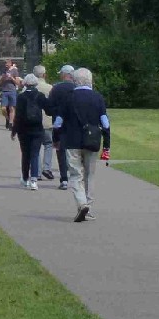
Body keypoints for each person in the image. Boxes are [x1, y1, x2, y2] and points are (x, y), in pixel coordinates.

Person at [52, 67, 109, 222]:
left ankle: (81, 202)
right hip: (92, 141)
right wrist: (107, 146)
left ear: (75, 80)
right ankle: (88, 207)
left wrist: (56, 139)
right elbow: (105, 123)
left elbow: (58, 123)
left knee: (76, 175)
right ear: (90, 81)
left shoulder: (68, 98)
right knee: (90, 174)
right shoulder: (97, 98)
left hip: (71, 141)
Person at [9, 74, 48, 189]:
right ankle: (34, 180)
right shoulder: (40, 95)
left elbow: (18, 116)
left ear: (25, 83)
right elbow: (49, 109)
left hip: (23, 130)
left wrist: (14, 131)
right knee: (35, 154)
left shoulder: (21, 97)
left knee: (25, 154)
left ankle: (25, 178)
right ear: (36, 83)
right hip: (37, 128)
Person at [46, 65, 77, 190]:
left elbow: (48, 108)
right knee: (75, 152)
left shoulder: (56, 88)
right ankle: (76, 178)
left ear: (64, 74)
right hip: (75, 123)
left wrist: (55, 112)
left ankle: (64, 179)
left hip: (59, 124)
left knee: (61, 150)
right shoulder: (77, 88)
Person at [31, 65, 56, 180]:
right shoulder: (50, 88)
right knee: (48, 144)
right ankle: (47, 167)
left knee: (36, 147)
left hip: (34, 121)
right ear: (44, 75)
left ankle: (38, 171)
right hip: (47, 121)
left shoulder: (30, 88)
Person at [0, 60, 21, 127]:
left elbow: (18, 83)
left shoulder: (15, 71)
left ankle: (11, 123)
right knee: (3, 109)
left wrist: (11, 78)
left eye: (7, 63)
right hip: (4, 91)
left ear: (11, 64)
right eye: (5, 63)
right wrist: (3, 77)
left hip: (12, 91)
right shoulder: (3, 71)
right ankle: (8, 119)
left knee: (12, 108)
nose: (6, 64)